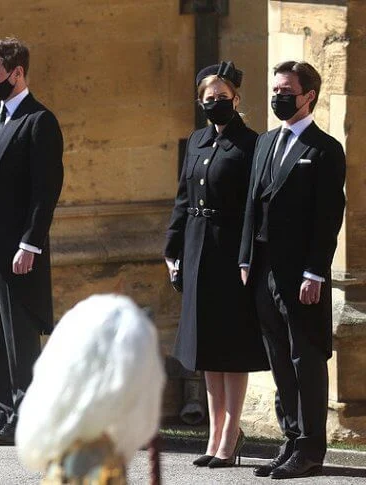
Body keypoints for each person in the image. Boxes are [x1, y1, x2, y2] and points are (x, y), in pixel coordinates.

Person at [239, 61, 345, 479]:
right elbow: (252, 203)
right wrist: (246, 257)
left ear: (309, 96)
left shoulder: (324, 149)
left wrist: (315, 273)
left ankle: (311, 449)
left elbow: (328, 217)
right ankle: (291, 438)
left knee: (306, 359)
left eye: (286, 90)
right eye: (275, 89)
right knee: (279, 358)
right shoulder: (266, 142)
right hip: (263, 270)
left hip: (301, 276)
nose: (278, 96)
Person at [164, 62, 269, 468]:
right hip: (195, 247)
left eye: (222, 98)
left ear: (237, 99)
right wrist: (172, 247)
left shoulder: (252, 144)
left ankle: (230, 435)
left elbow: (254, 208)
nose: (215, 104)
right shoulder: (196, 141)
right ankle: (214, 434)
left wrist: (248, 255)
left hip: (231, 253)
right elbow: (182, 198)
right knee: (206, 345)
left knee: (232, 345)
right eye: (208, 99)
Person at [0, 38, 64, 446]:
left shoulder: (39, 121)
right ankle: (4, 412)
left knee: (18, 335)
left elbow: (46, 190)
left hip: (18, 245)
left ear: (17, 73)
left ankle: (27, 417)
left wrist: (31, 244)